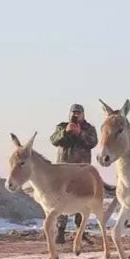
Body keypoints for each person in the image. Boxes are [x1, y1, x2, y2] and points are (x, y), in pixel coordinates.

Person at [49, 103, 98, 244]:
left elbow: (93, 142)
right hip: (64, 171)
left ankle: (80, 231)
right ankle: (60, 231)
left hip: (81, 171)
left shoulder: (89, 129)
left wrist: (80, 133)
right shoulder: (62, 126)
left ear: (83, 114)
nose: (76, 115)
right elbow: (54, 140)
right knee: (61, 200)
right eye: (74, 113)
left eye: (79, 113)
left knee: (82, 201)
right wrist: (66, 132)